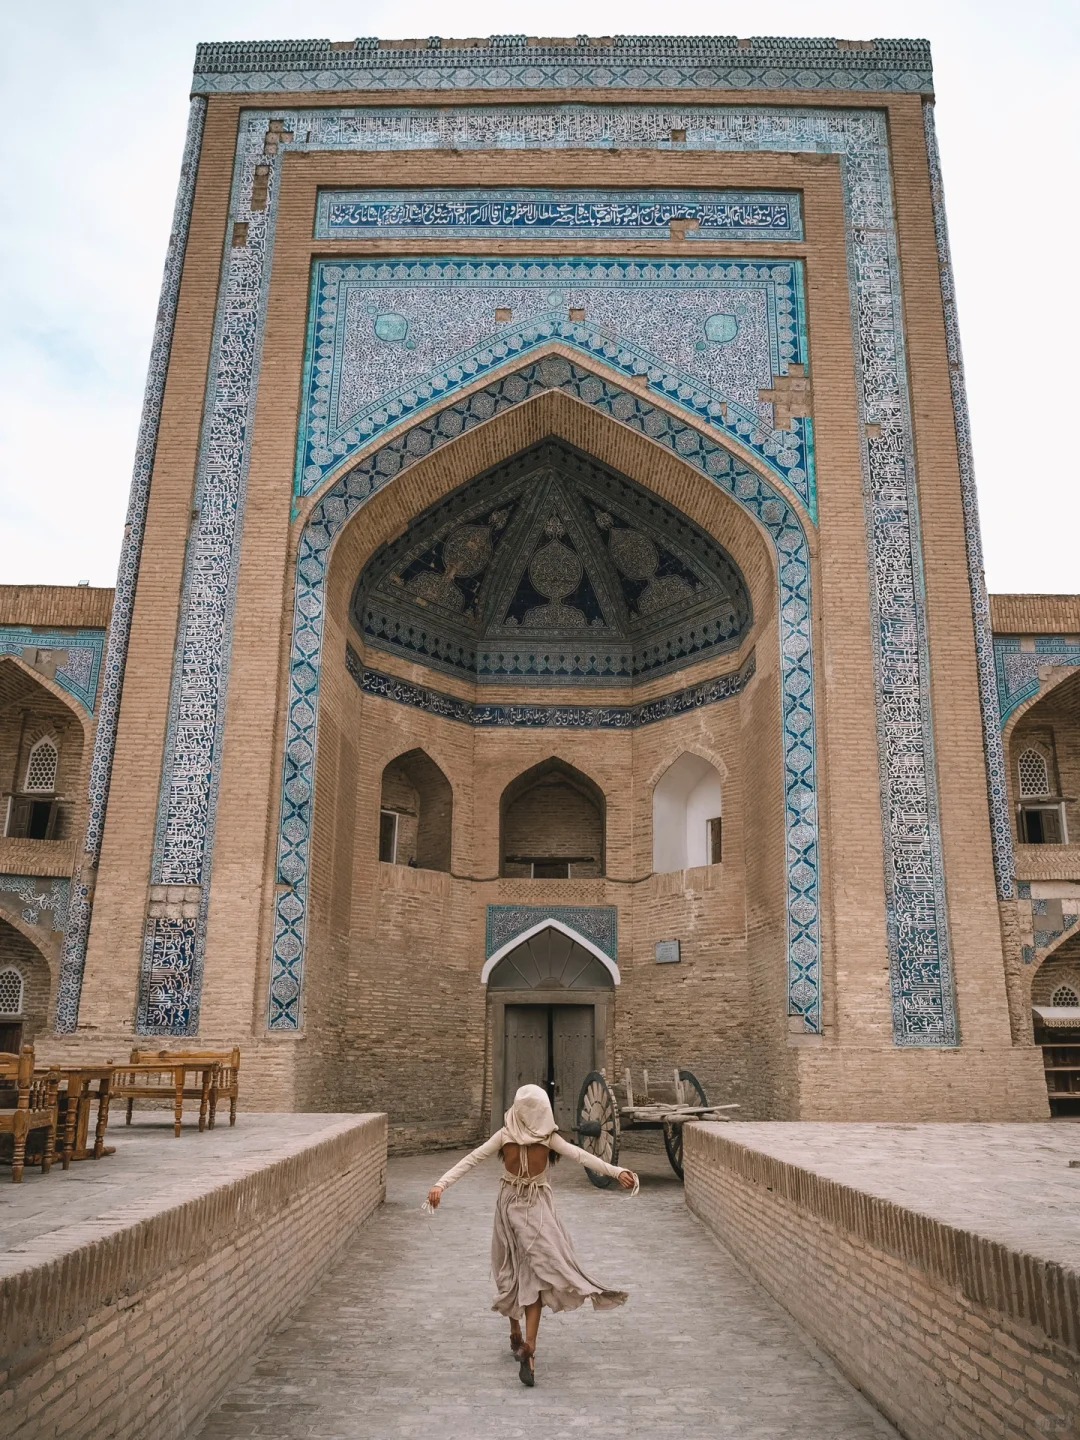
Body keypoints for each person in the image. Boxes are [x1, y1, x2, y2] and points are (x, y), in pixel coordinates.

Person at [425, 1083, 639, 1387]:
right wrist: (616, 1171)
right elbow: (581, 1156)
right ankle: (529, 1345)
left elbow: (470, 1159)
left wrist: (440, 1185)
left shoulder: (505, 1136)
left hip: (508, 1205)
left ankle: (516, 1333)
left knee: (508, 1268)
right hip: (537, 1208)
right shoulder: (549, 1139)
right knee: (536, 1276)